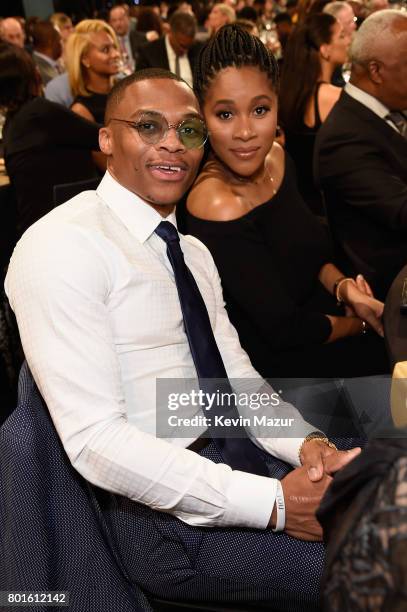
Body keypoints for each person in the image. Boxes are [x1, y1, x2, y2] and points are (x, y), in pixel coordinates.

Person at [5, 67, 361, 610]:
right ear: (106, 139)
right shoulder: (63, 245)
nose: (173, 142)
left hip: (240, 468)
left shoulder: (192, 254)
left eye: (190, 130)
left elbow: (237, 384)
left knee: (387, 503)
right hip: (160, 524)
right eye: (148, 126)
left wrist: (309, 446)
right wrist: (276, 503)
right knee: (381, 563)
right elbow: (97, 442)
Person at [182, 24, 388, 379]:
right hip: (287, 372)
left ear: (277, 105)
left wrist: (347, 290)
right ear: (202, 116)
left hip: (329, 323)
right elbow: (285, 330)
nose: (246, 132)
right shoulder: (215, 204)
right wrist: (363, 327)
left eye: (260, 110)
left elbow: (307, 254)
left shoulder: (278, 158)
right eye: (226, 114)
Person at [315, 9, 407, 302]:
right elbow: (402, 212)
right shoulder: (343, 139)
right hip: (389, 291)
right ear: (376, 71)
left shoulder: (389, 107)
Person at [0, 43, 100, 238]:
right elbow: (104, 138)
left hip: (37, 230)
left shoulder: (12, 123)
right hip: (67, 230)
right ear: (31, 75)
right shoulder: (39, 112)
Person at [279, 13, 350, 214]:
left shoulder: (286, 93)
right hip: (330, 207)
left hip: (298, 204)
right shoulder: (336, 98)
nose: (348, 41)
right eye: (342, 36)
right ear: (325, 50)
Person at [67, 20, 121, 124]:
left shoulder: (126, 89)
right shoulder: (81, 111)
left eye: (114, 47)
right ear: (85, 59)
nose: (116, 54)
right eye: (105, 50)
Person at [136, 11, 203, 87]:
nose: (185, 50)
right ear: (170, 32)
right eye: (181, 45)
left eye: (189, 46)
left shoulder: (200, 50)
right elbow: (139, 86)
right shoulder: (148, 52)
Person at [108, 4, 158, 72]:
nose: (118, 23)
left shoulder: (142, 39)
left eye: (121, 19)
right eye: (114, 20)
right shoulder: (109, 43)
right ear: (110, 23)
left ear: (128, 19)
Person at [31, 21, 63, 86]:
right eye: (59, 40)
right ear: (50, 41)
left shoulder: (57, 63)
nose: (62, 44)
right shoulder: (37, 69)